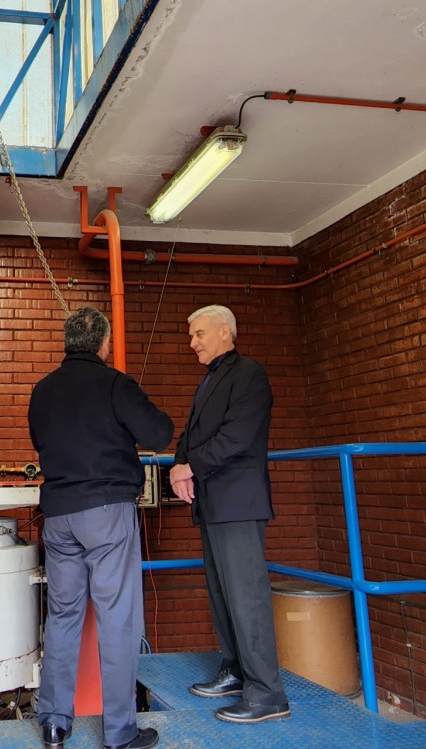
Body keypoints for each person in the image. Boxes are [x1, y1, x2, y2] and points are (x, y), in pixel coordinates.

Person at [28, 307, 175, 749]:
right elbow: (160, 434)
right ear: (104, 344)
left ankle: (54, 722)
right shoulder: (115, 384)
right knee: (118, 619)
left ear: (66, 341)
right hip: (107, 512)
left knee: (63, 615)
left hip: (58, 515)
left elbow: (41, 440)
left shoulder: (43, 390)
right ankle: (120, 732)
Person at [168, 304, 289, 724]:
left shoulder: (248, 374)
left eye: (198, 334)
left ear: (224, 332)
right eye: (191, 335)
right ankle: (236, 671)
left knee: (247, 597)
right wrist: (180, 466)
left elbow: (236, 436)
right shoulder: (211, 380)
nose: (192, 342)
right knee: (223, 596)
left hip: (238, 503)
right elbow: (191, 434)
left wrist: (191, 466)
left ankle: (268, 694)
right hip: (214, 503)